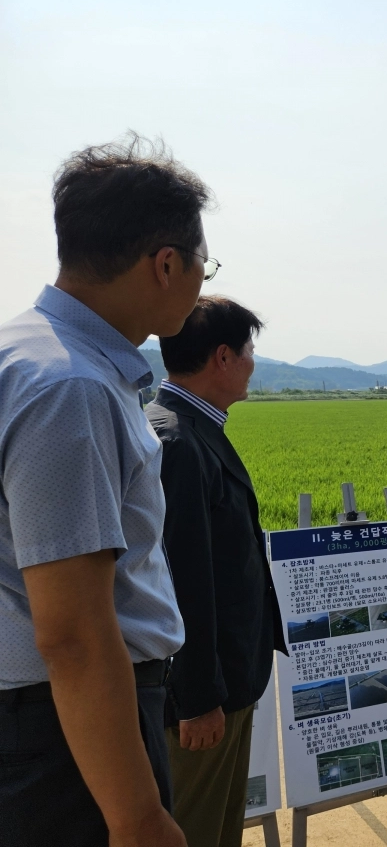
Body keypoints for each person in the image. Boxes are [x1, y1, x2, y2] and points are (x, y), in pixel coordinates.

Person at [0, 135, 213, 847]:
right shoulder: (71, 389)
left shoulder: (28, 354)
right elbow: (74, 635)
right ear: (165, 263)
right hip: (68, 736)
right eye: (201, 264)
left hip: (53, 721)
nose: (202, 283)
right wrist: (136, 816)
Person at [146, 296, 287, 847]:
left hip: (229, 681)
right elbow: (180, 579)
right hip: (204, 697)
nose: (254, 362)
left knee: (223, 828)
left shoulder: (193, 428)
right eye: (250, 351)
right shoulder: (178, 442)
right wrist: (199, 696)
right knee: (196, 830)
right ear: (223, 358)